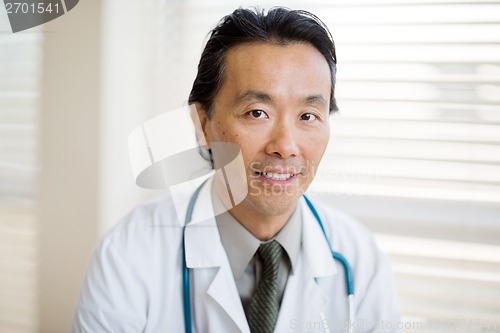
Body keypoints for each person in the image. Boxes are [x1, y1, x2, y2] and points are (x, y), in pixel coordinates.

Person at [70, 7, 400, 333]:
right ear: (203, 124)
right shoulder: (129, 254)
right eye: (257, 113)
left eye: (308, 116)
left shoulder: (360, 259)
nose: (285, 146)